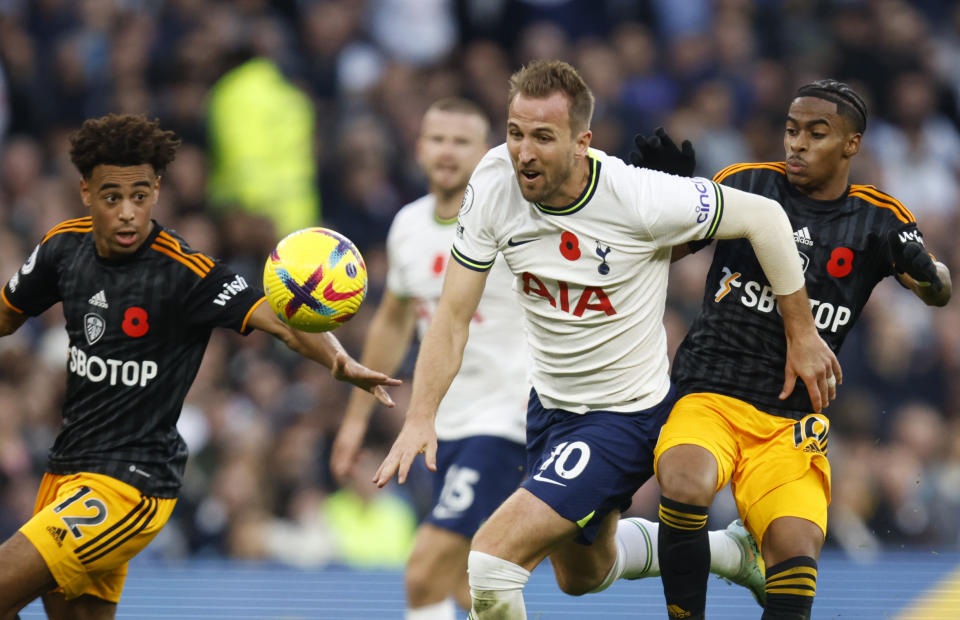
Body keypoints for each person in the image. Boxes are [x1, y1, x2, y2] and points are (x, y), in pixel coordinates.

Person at [373, 59, 839, 619]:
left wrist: (802, 331)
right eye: (516, 133)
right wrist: (422, 415)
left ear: (581, 142)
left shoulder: (639, 197)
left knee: (491, 561)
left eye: (544, 137)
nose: (524, 152)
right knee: (581, 576)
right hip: (548, 408)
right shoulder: (494, 182)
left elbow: (764, 217)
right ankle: (731, 552)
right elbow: (451, 316)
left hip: (623, 417)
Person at [0, 114, 400, 620]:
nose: (127, 213)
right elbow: (7, 315)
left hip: (132, 484)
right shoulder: (62, 248)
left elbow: (273, 318)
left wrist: (337, 358)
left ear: (157, 191)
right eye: (111, 197)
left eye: (140, 196)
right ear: (85, 191)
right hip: (65, 473)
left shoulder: (183, 271)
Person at [635, 80, 952, 620]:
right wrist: (660, 193)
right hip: (709, 394)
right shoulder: (746, 183)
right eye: (791, 129)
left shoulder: (879, 217)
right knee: (685, 480)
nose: (797, 143)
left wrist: (931, 274)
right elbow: (664, 251)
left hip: (791, 421)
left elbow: (937, 290)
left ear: (851, 144)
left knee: (797, 548)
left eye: (816, 133)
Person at [329, 98, 529, 619]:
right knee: (473, 589)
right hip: (441, 425)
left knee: (424, 572)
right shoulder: (408, 226)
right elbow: (395, 321)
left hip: (507, 421)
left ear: (486, 153)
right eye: (437, 139)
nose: (447, 151)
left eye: (462, 141)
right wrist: (355, 421)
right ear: (418, 147)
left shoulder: (515, 217)